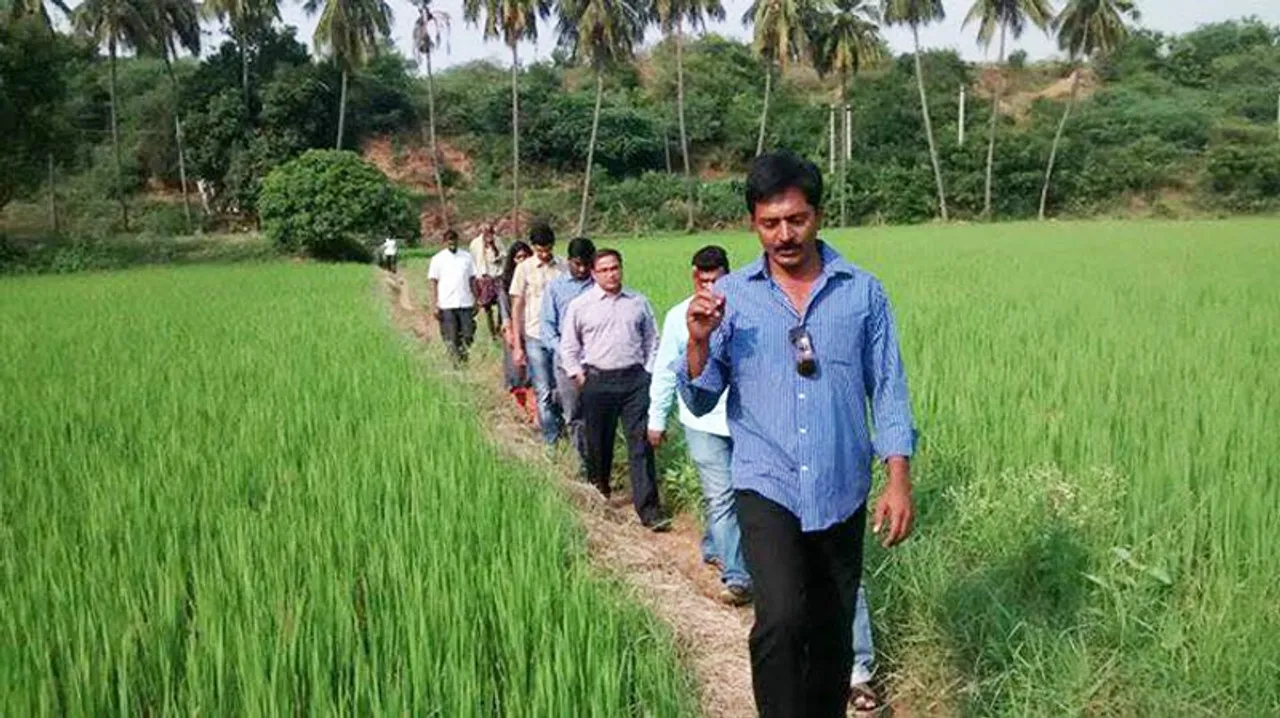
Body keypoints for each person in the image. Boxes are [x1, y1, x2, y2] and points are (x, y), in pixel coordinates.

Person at [677, 150, 916, 717]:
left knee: (832, 628)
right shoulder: (732, 297)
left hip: (840, 482)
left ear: (818, 214)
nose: (784, 234)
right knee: (781, 619)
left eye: (796, 219)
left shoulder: (862, 292)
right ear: (753, 223)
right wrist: (698, 342)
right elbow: (703, 394)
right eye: (769, 223)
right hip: (767, 481)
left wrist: (898, 480)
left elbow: (888, 388)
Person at [648, 245, 751, 605]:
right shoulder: (680, 317)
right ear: (694, 277)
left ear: (729, 275)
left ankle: (714, 542)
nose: (710, 288)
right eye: (704, 280)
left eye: (717, 279)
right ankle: (738, 576)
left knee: (745, 493)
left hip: (743, 420)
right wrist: (656, 419)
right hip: (701, 419)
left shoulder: (745, 312)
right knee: (721, 495)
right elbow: (665, 369)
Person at [560, 249, 669, 532]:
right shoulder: (580, 305)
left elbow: (652, 340)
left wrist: (648, 371)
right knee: (599, 443)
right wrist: (578, 374)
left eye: (615, 268)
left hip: (634, 380)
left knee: (640, 444)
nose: (611, 274)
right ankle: (600, 495)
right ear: (594, 273)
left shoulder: (638, 302)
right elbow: (569, 347)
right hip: (597, 381)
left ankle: (648, 509)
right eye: (605, 269)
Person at [540, 237, 596, 475]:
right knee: (574, 415)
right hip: (566, 363)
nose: (582, 269)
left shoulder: (600, 286)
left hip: (598, 362)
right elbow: (547, 326)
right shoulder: (556, 287)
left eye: (586, 264)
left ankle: (601, 462)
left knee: (599, 415)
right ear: (569, 260)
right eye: (576, 264)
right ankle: (585, 466)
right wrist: (564, 351)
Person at [510, 222, 569, 446]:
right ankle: (551, 440)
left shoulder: (563, 267)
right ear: (533, 247)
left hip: (561, 337)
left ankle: (563, 429)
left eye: (548, 249)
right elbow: (517, 306)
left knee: (562, 388)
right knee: (543, 390)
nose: (544, 254)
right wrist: (517, 344)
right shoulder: (523, 269)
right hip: (535, 336)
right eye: (539, 250)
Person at [427, 229, 480, 365]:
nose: (452, 243)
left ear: (457, 240)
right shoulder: (437, 259)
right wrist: (434, 304)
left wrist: (476, 299)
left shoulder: (467, 257)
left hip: (465, 302)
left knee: (468, 334)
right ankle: (457, 364)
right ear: (444, 242)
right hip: (446, 304)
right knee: (451, 336)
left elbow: (472, 280)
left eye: (454, 240)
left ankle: (464, 355)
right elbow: (433, 283)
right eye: (449, 240)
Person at [498, 241, 535, 420]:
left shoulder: (535, 278)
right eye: (519, 257)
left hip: (533, 329)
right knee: (516, 372)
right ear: (513, 260)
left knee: (533, 373)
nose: (522, 260)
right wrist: (509, 331)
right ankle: (521, 409)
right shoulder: (506, 284)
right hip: (514, 329)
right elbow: (504, 310)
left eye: (526, 256)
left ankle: (534, 411)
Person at [469, 223, 506, 340]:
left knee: (502, 303)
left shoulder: (497, 241)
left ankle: (499, 326)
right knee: (487, 307)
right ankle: (493, 333)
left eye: (490, 231)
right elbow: (473, 260)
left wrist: (496, 254)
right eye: (485, 231)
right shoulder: (475, 244)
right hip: (484, 278)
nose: (488, 234)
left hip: (498, 276)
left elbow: (504, 255)